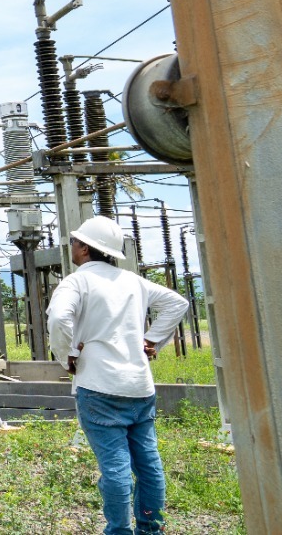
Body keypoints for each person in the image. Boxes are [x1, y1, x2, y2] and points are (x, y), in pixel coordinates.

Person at [47, 215, 189, 535]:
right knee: (149, 466)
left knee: (115, 468)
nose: (72, 245)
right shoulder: (133, 281)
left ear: (85, 248)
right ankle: (150, 529)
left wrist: (65, 354)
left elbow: (58, 318)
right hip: (140, 387)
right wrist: (152, 340)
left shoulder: (77, 281)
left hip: (98, 387)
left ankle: (119, 531)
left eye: (75, 241)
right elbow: (177, 304)